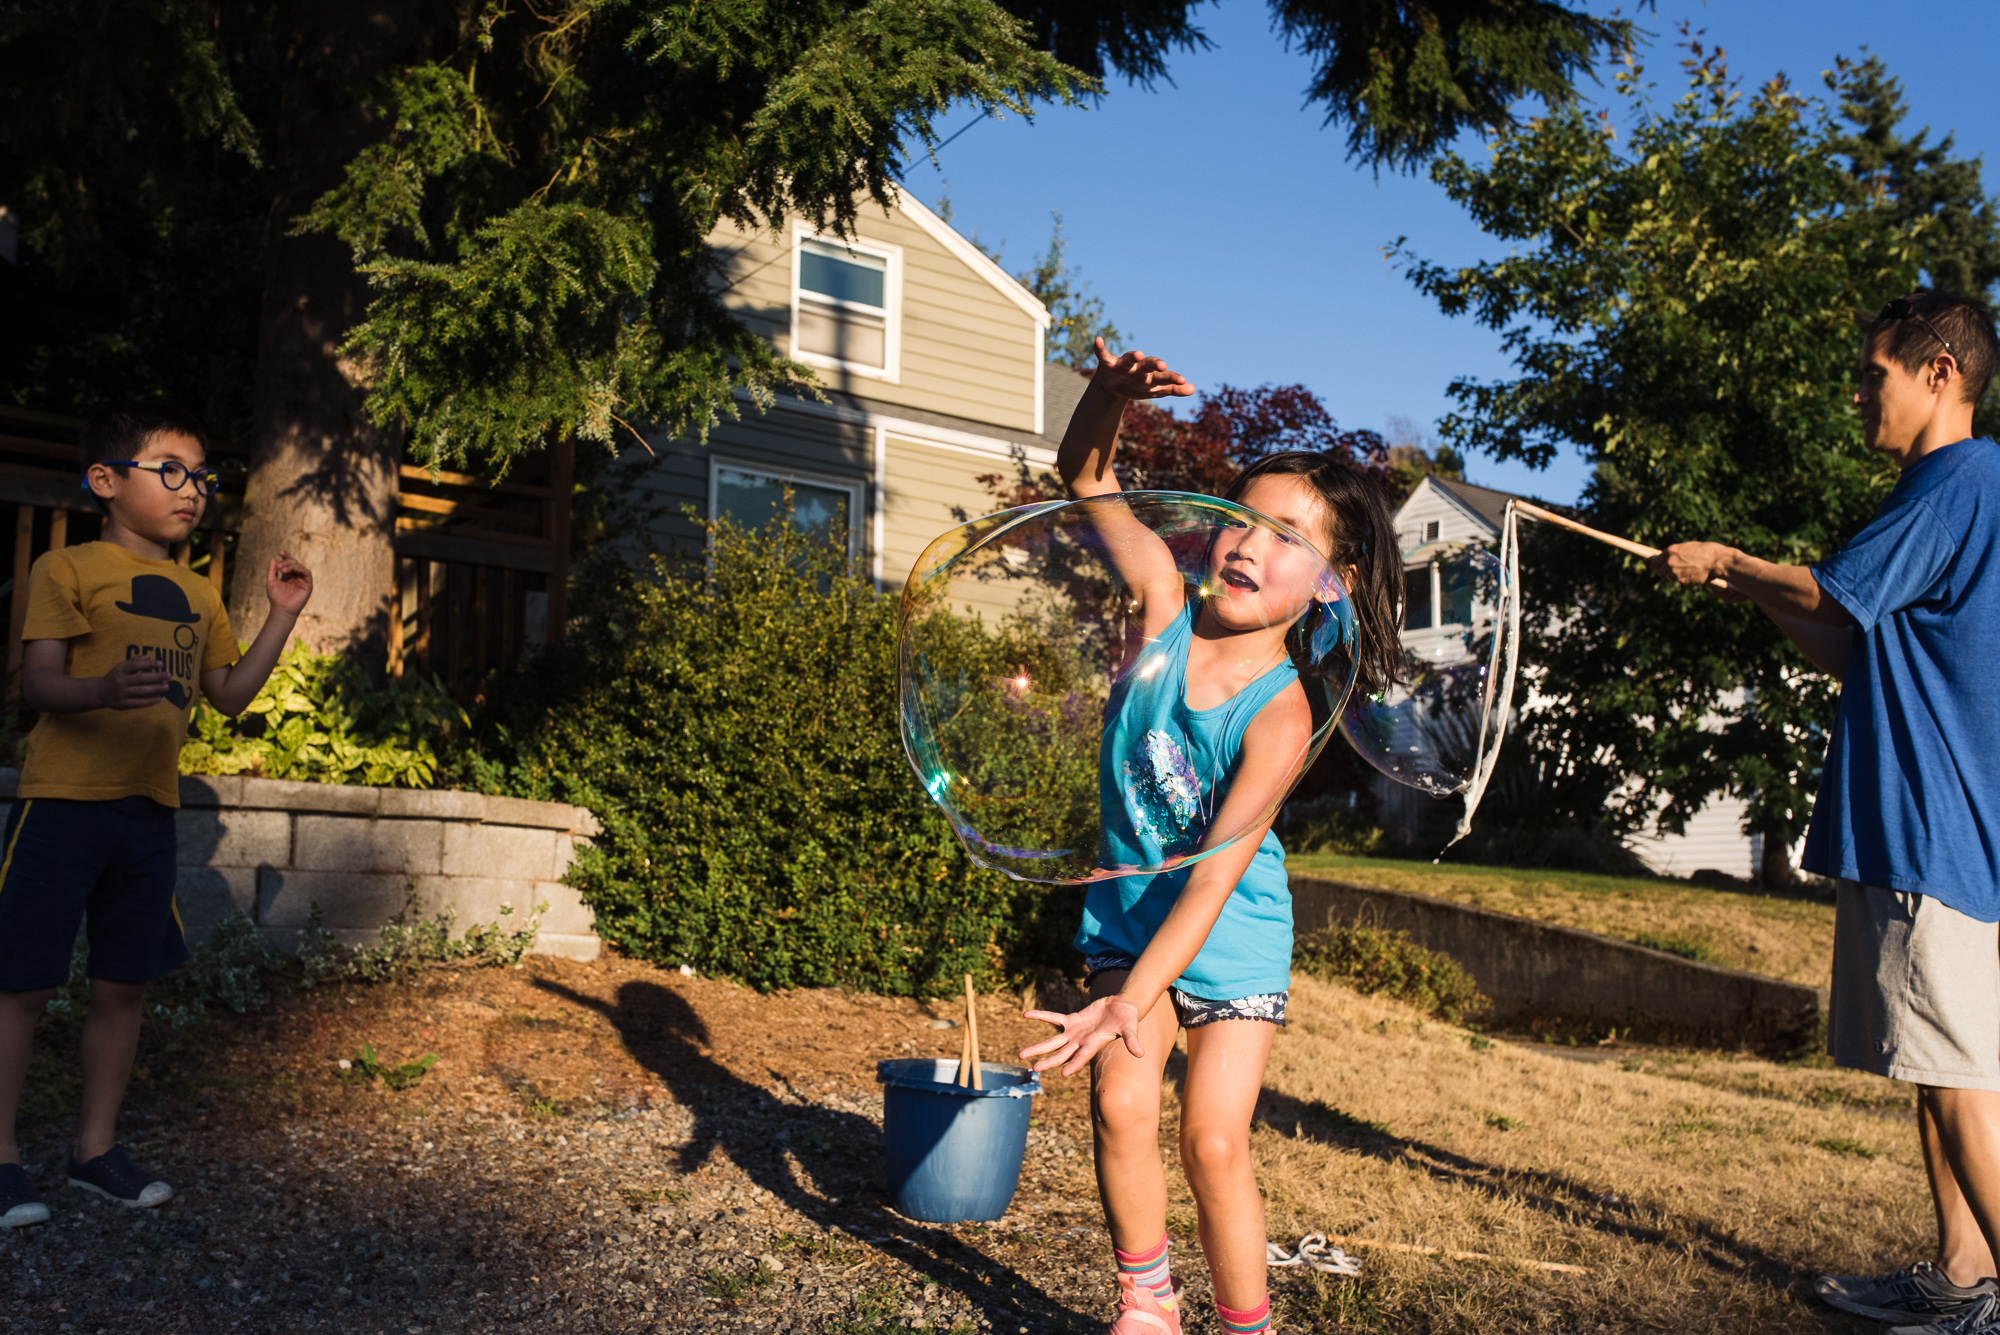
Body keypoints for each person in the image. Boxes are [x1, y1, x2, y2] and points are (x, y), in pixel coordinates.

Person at [1019, 340, 1402, 1335]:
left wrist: (1131, 1000)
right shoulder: (1160, 613)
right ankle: (1147, 1305)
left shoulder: (1279, 720)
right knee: (1116, 1104)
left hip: (1227, 930)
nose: (1246, 546)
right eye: (1239, 522)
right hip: (1126, 911)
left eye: (1283, 536)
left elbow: (1210, 883)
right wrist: (1103, 395)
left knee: (1213, 1144)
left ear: (1330, 581)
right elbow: (1087, 476)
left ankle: (1247, 1325)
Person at [1650, 290, 2000, 1335]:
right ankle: (1959, 1275)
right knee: (1932, 1065)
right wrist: (1760, 591)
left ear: (1938, 373)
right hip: (1926, 822)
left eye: (1873, 374)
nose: (1857, 394)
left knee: (1957, 1079)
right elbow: (1852, 643)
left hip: (1929, 823)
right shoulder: (1946, 491)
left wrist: (1729, 561)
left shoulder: (1955, 480)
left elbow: (1832, 596)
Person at [0, 403, 313, 1228]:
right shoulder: (67, 570)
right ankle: (1, 1160)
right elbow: (37, 682)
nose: (192, 489)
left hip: (147, 815)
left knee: (122, 986)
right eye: (169, 469)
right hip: (61, 806)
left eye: (202, 475)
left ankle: (94, 1151)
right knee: (21, 984)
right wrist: (99, 690)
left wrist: (280, 616)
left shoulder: (198, 593)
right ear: (105, 480)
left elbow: (229, 696)